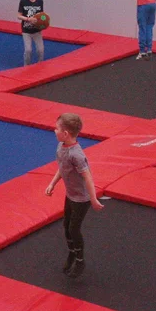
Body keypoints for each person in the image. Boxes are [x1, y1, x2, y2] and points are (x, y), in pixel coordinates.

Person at [45, 112, 103, 278]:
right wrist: (52, 183)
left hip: (82, 199)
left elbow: (88, 177)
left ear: (65, 133)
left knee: (73, 229)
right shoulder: (61, 146)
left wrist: (93, 199)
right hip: (70, 195)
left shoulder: (76, 154)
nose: (54, 130)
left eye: (56, 128)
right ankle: (72, 252)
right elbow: (62, 167)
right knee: (66, 226)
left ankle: (80, 260)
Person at [17, 0, 46, 65]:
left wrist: (44, 21)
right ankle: (27, 66)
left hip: (37, 31)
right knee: (28, 50)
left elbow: (41, 16)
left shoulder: (40, 1)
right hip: (26, 31)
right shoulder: (23, 1)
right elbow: (19, 16)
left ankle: (40, 64)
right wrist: (28, 19)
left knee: (40, 50)